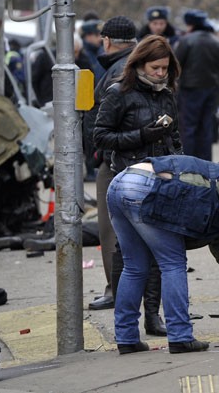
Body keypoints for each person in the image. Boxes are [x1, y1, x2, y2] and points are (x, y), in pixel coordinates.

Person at [106, 152, 219, 354]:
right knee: (172, 264)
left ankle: (126, 338)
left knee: (134, 267)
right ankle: (180, 337)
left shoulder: (216, 177)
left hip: (120, 181)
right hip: (145, 187)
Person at [93, 34, 184, 337]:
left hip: (161, 179)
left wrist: (180, 167)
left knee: (160, 250)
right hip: (128, 181)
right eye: (155, 68)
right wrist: (142, 135)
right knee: (129, 255)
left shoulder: (166, 93)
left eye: (165, 69)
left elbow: (174, 136)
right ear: (140, 64)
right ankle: (126, 322)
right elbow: (101, 137)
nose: (160, 74)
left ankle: (152, 317)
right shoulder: (119, 92)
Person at [83, 16, 138, 312]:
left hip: (114, 159)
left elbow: (107, 115)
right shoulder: (134, 63)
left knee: (111, 229)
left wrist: (98, 149)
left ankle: (117, 290)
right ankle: (130, 288)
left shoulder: (119, 68)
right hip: (129, 155)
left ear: (106, 40)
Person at [175, 9, 219, 160]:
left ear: (191, 24)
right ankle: (205, 162)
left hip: (189, 90)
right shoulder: (217, 42)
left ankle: (189, 161)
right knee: (206, 127)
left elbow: (177, 64)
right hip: (211, 89)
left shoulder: (186, 40)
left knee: (189, 127)